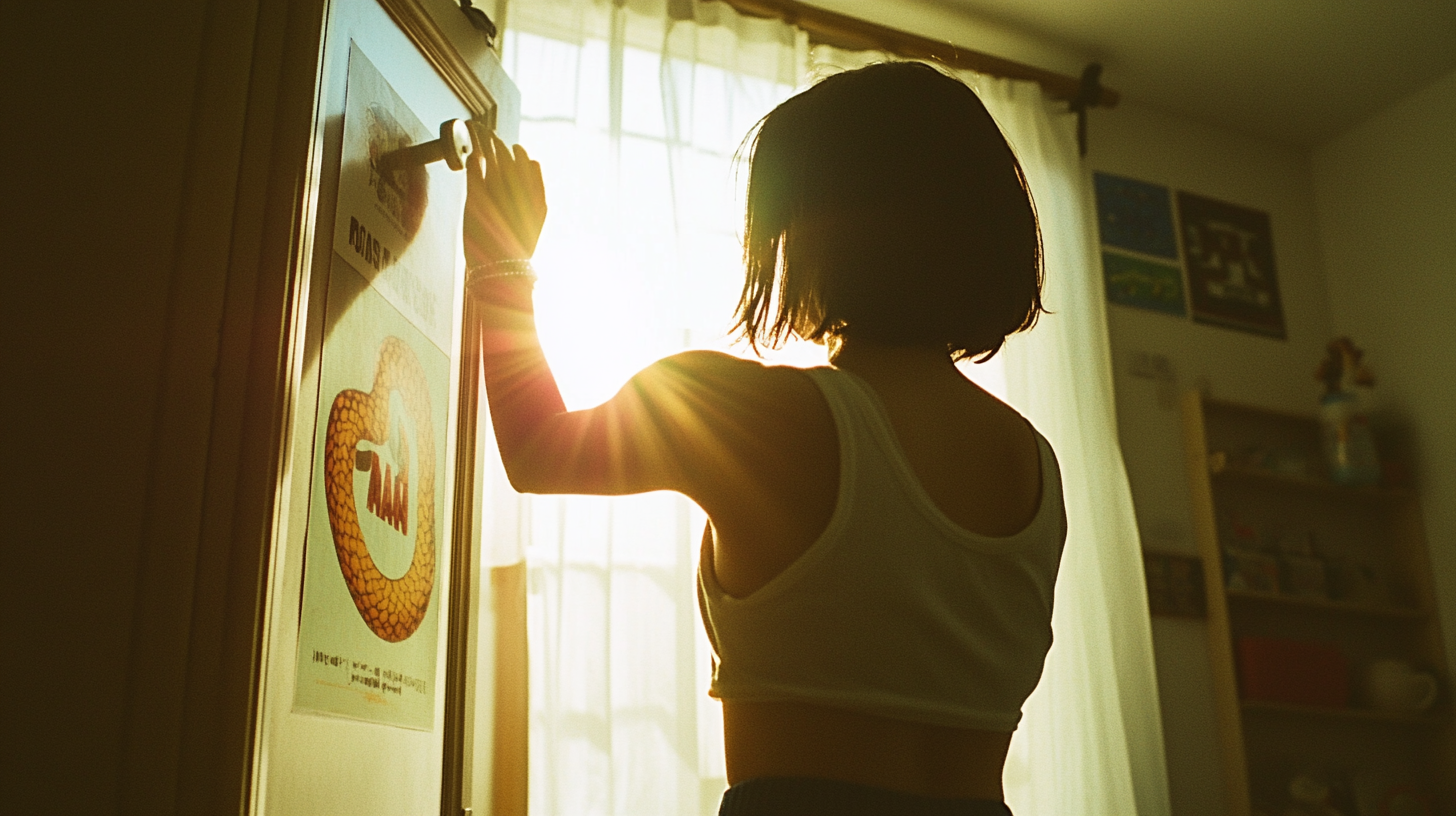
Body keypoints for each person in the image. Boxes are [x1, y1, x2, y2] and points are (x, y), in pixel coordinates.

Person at [463, 61, 1065, 816]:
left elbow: (538, 450)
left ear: (817, 233)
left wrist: (502, 264)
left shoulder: (750, 409)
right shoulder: (1031, 460)